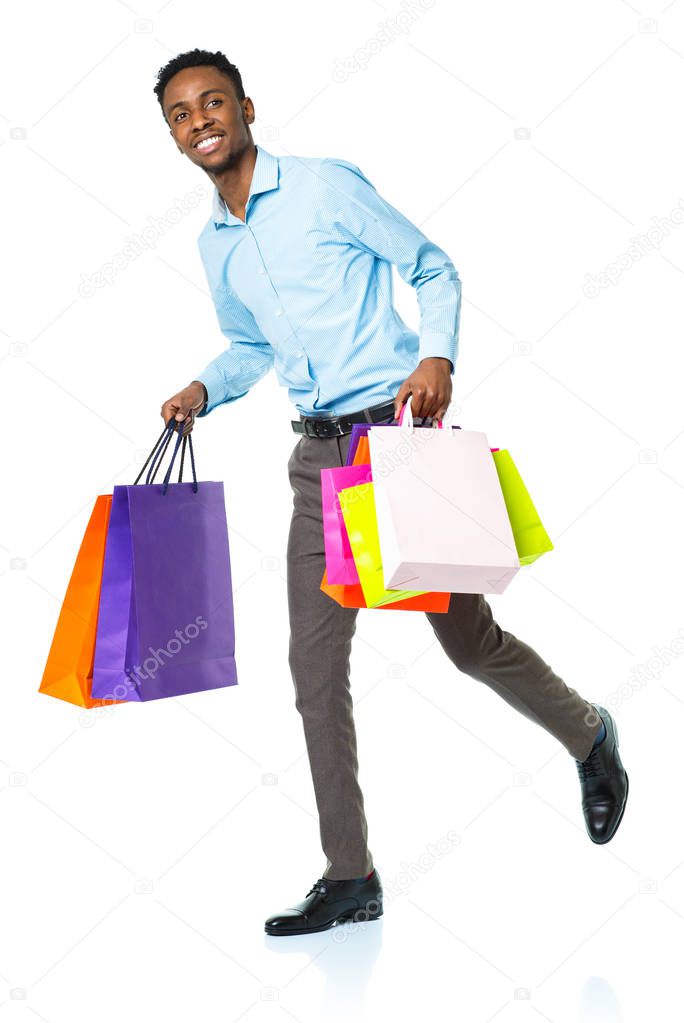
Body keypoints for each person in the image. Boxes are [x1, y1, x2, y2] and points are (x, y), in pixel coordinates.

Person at [154, 48, 629, 937]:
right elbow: (250, 346)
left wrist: (437, 355)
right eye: (181, 113)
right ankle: (351, 875)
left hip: (396, 448)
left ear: (247, 106)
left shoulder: (326, 188)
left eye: (213, 101)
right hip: (315, 469)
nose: (201, 120)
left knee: (468, 643)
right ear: (174, 136)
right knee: (313, 668)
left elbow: (433, 266)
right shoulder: (214, 245)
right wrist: (202, 389)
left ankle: (589, 734)